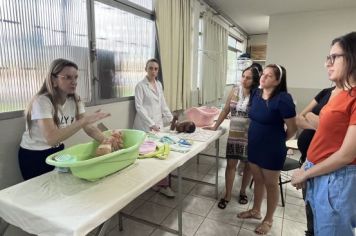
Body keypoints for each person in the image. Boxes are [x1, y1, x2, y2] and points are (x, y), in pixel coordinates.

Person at [292, 32, 356, 236]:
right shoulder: (338, 94)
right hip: (319, 172)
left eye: (334, 57)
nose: (328, 63)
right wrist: (305, 165)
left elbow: (346, 155)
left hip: (336, 179)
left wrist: (307, 172)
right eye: (327, 58)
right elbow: (323, 139)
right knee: (316, 229)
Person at [18, 58, 110, 180]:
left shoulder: (75, 100)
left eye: (76, 77)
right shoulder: (42, 101)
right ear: (53, 80)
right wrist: (83, 121)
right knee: (41, 194)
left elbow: (88, 127)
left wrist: (107, 141)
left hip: (57, 151)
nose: (74, 82)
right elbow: (51, 138)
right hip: (35, 155)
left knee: (61, 188)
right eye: (67, 77)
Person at [237, 64, 297, 235]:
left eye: (269, 76)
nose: (263, 77)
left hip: (272, 149)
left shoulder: (283, 99)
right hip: (254, 145)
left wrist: (280, 140)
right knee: (258, 179)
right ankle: (256, 210)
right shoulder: (256, 93)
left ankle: (268, 219)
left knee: (271, 185)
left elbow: (292, 128)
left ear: (278, 81)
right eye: (263, 74)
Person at [205, 66, 260, 209]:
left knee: (248, 166)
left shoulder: (258, 94)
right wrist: (215, 126)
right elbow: (225, 110)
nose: (244, 80)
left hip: (251, 137)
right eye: (243, 76)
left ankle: (242, 191)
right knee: (230, 166)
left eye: (248, 78)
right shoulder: (235, 91)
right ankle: (227, 194)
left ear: (254, 80)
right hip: (234, 135)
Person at [296, 86, 338, 236]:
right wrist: (319, 126)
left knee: (328, 218)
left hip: (329, 167)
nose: (328, 64)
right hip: (308, 161)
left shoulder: (348, 96)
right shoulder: (326, 92)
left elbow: (338, 134)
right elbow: (300, 118)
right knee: (310, 206)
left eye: (333, 60)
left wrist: (313, 119)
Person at [133, 58, 175, 198]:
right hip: (145, 126)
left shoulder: (159, 84)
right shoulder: (140, 86)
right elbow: (139, 107)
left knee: (161, 153)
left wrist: (172, 119)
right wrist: (151, 124)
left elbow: (163, 104)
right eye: (150, 68)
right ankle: (155, 183)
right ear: (146, 69)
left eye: (156, 69)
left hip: (158, 125)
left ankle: (163, 184)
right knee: (149, 155)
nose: (153, 71)